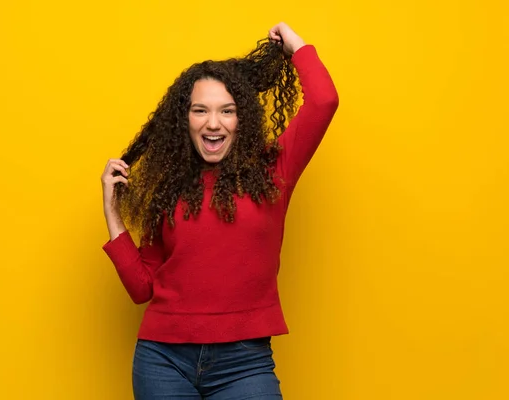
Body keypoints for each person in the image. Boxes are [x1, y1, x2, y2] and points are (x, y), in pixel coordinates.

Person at [100, 22, 339, 399]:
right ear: (186, 121)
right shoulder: (168, 190)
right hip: (162, 361)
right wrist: (113, 214)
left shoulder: (272, 171)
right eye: (201, 111)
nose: (213, 123)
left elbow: (324, 101)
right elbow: (141, 288)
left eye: (227, 111)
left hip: (245, 364)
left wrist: (296, 46)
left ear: (241, 119)